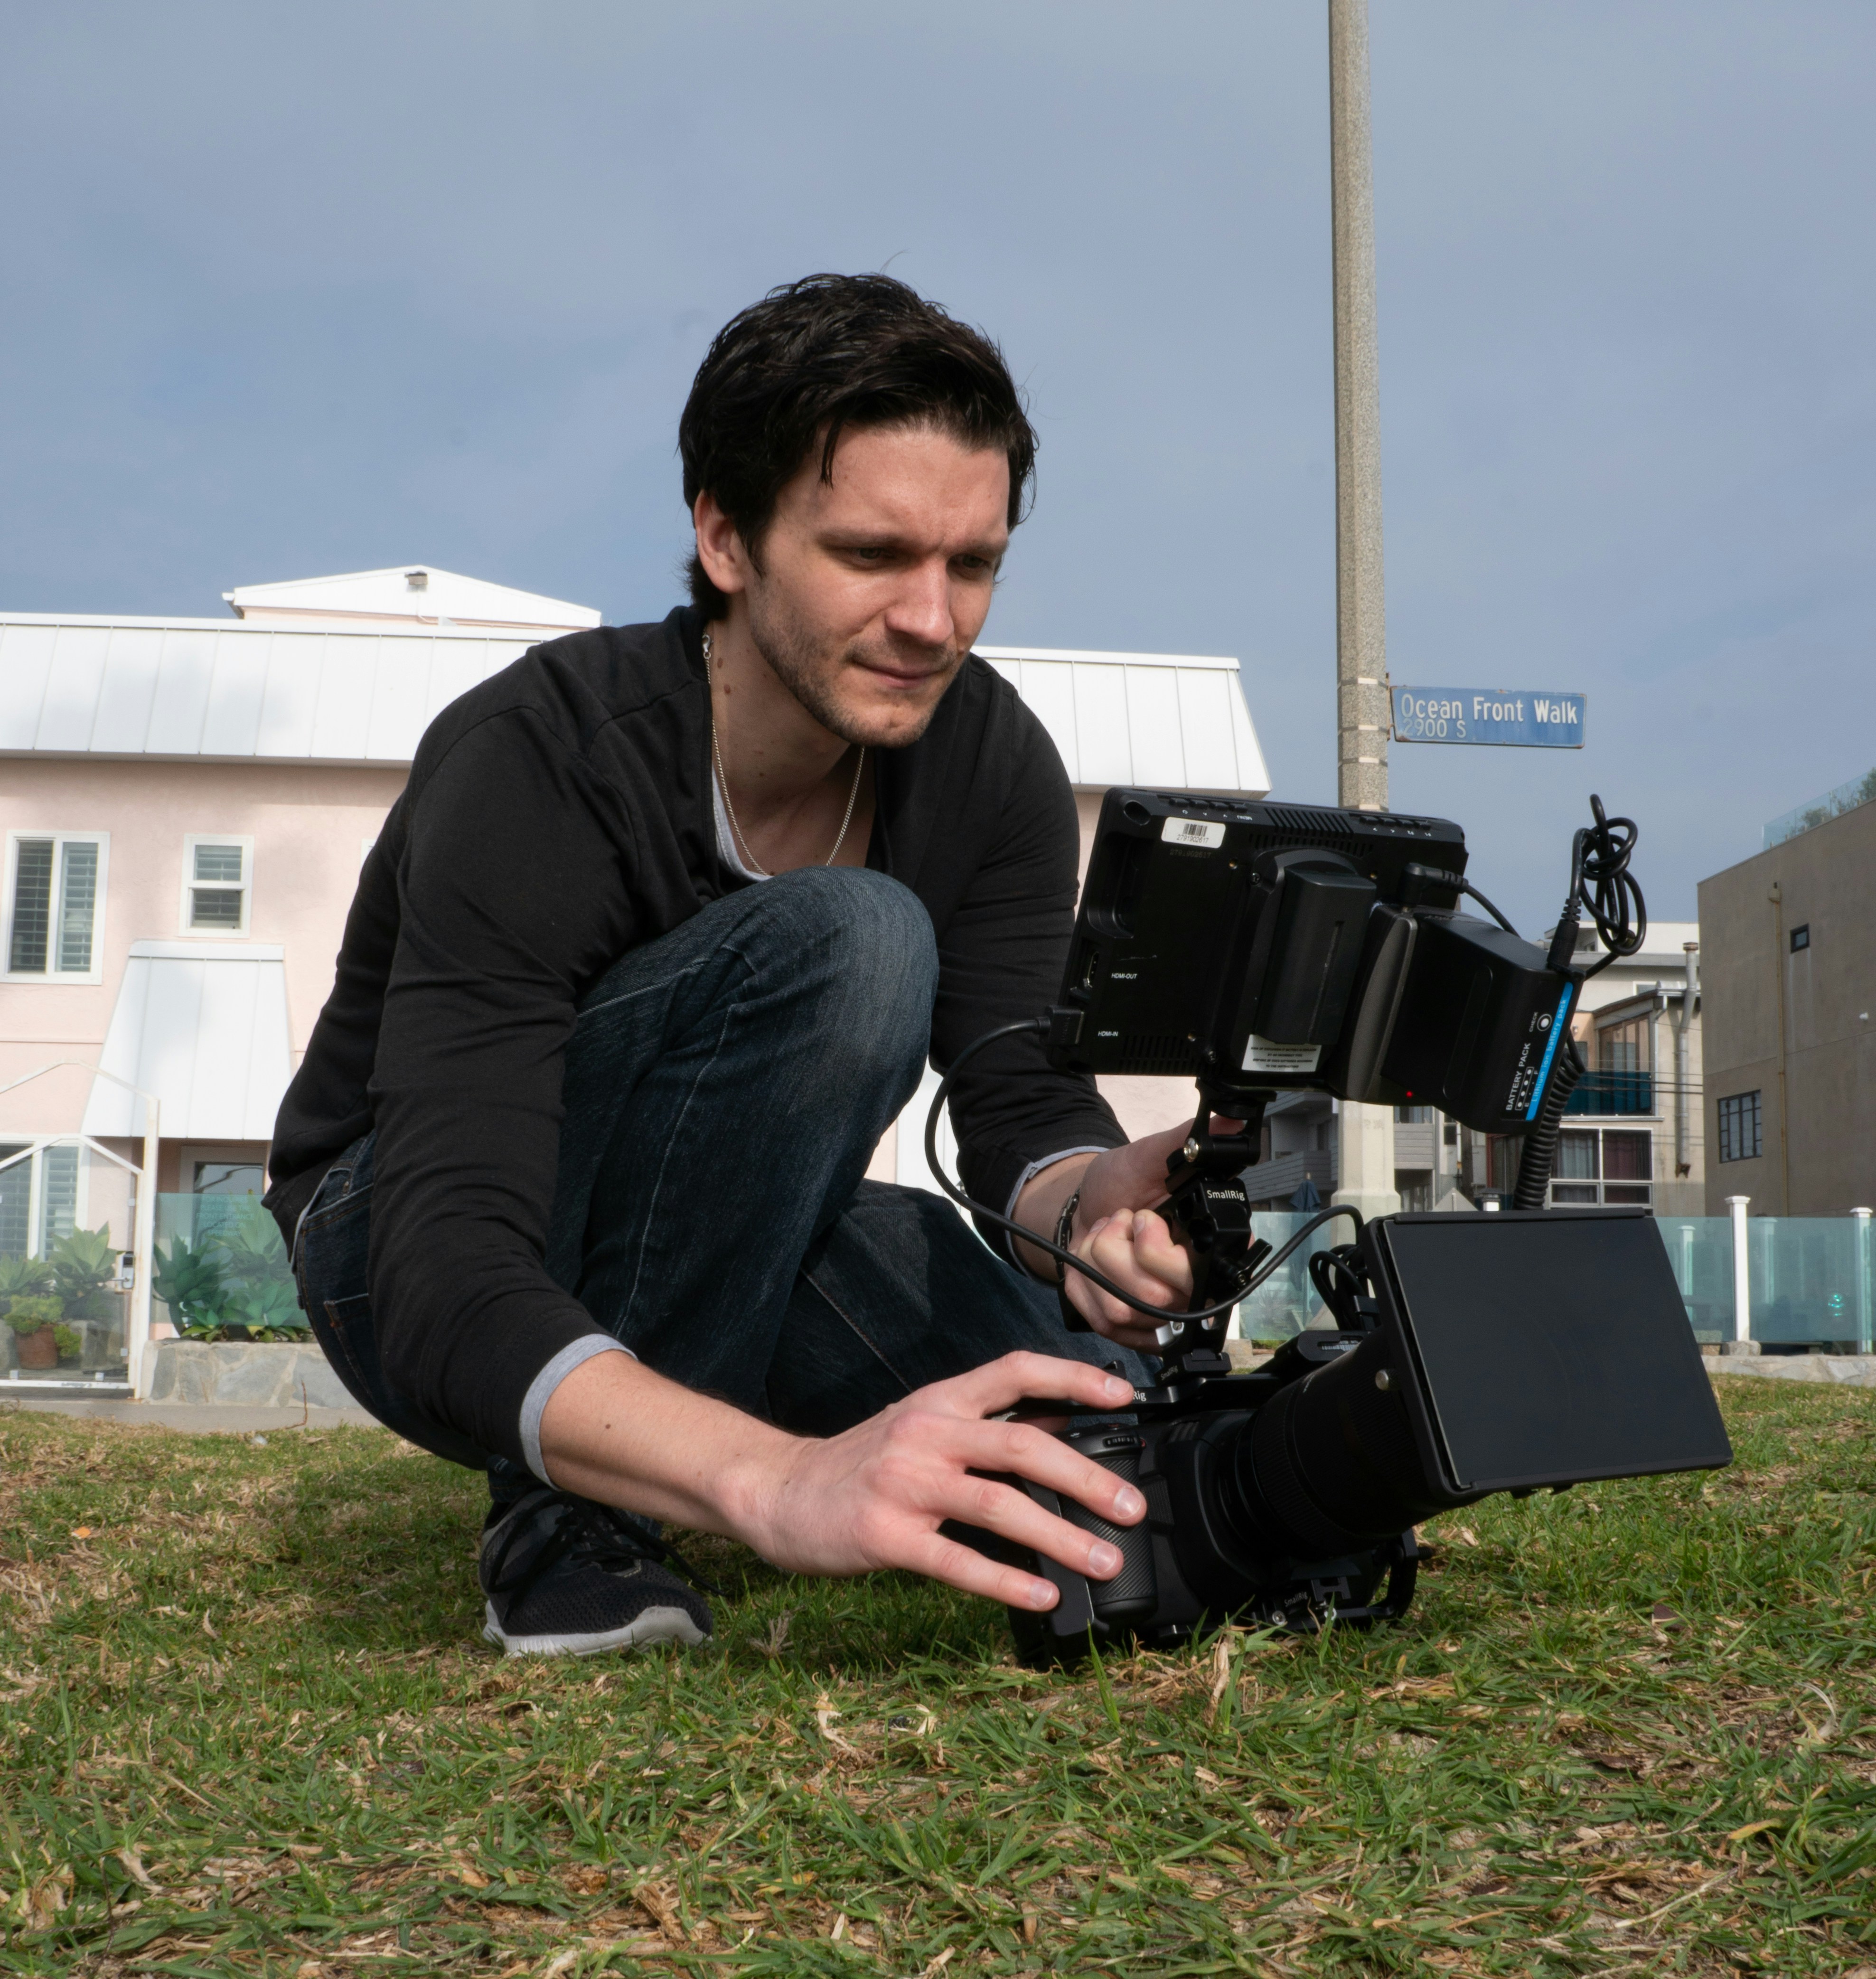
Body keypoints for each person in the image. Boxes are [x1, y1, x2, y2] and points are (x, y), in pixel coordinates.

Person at [267, 273, 1208, 1659]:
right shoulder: (541, 759)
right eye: (873, 555)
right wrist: (777, 1483)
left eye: (974, 564)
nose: (933, 621)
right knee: (858, 940)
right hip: (402, 1237)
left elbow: (1013, 1084)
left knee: (1113, 1427)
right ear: (724, 538)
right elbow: (445, 1254)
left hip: (754, 1221)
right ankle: (573, 1521)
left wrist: (1086, 1202)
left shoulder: (992, 761)